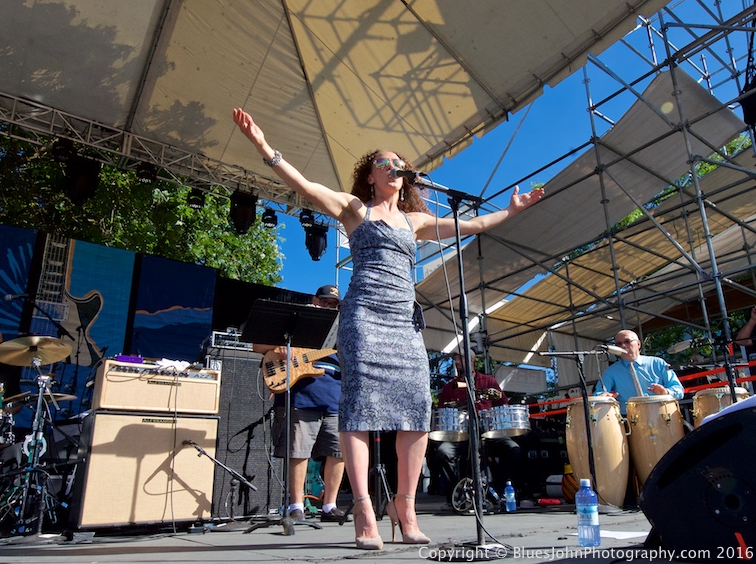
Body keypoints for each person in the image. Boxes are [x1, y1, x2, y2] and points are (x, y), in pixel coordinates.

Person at [232, 108, 543, 550]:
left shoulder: (414, 221)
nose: (393, 167)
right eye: (384, 162)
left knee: (417, 411)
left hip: (403, 323)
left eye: (398, 163)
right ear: (371, 177)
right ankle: (361, 509)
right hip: (364, 319)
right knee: (357, 413)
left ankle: (406, 507)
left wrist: (509, 212)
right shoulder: (355, 209)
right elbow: (304, 186)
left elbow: (469, 225)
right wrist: (266, 148)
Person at [252, 284, 346, 522]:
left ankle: (329, 506)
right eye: (324, 302)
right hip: (302, 396)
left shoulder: (342, 330)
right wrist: (281, 349)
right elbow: (257, 345)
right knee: (298, 451)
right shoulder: (297, 321)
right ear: (314, 300)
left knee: (339, 452)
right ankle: (295, 505)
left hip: (335, 398)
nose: (328, 306)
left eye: (333, 304)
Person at [428, 350, 521, 503]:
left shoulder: (489, 382)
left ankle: (496, 490)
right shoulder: (449, 388)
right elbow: (443, 412)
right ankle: (458, 492)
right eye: (455, 359)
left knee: (513, 450)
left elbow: (503, 407)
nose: (457, 362)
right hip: (463, 435)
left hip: (488, 434)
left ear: (471, 360)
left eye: (460, 358)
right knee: (442, 452)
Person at [594, 329, 684, 417]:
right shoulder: (611, 371)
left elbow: (679, 390)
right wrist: (603, 397)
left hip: (662, 415)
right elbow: (598, 394)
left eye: (627, 341)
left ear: (638, 344)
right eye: (619, 344)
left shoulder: (657, 363)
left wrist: (666, 392)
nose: (623, 346)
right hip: (630, 419)